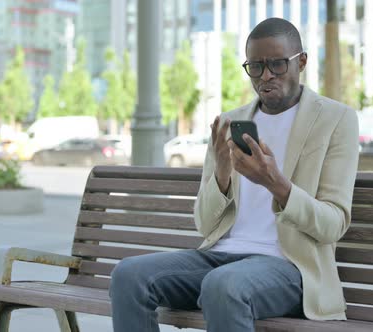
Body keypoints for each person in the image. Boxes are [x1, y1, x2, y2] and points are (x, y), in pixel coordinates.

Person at [109, 17, 359, 332]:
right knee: (129, 275)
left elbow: (333, 224)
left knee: (223, 285)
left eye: (278, 65)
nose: (266, 76)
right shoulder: (230, 122)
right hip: (219, 259)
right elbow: (204, 224)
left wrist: (277, 184)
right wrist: (222, 176)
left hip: (291, 268)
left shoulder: (337, 119)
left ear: (302, 61)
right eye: (255, 67)